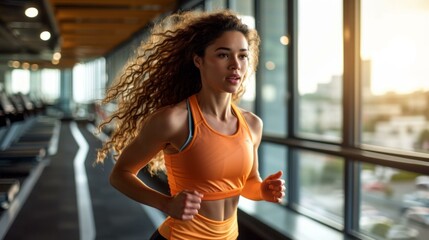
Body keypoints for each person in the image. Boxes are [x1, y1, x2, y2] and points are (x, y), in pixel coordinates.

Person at [96, 9, 285, 240]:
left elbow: (248, 183)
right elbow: (120, 174)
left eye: (243, 56)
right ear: (199, 60)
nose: (236, 65)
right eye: (223, 55)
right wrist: (166, 203)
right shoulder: (174, 120)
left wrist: (263, 191)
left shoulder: (252, 124)